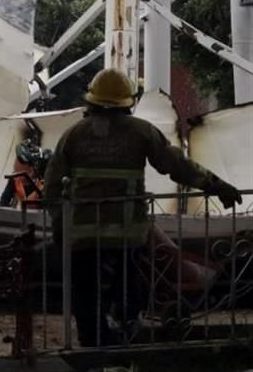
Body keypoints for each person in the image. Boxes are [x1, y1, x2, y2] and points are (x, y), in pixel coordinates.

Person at [44, 68, 242, 348]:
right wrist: (216, 185)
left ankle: (92, 342)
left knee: (85, 289)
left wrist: (58, 223)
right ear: (128, 103)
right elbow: (176, 165)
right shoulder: (141, 132)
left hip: (82, 233)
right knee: (127, 287)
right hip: (126, 233)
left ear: (92, 101)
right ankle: (127, 334)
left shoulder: (73, 135)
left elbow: (51, 185)